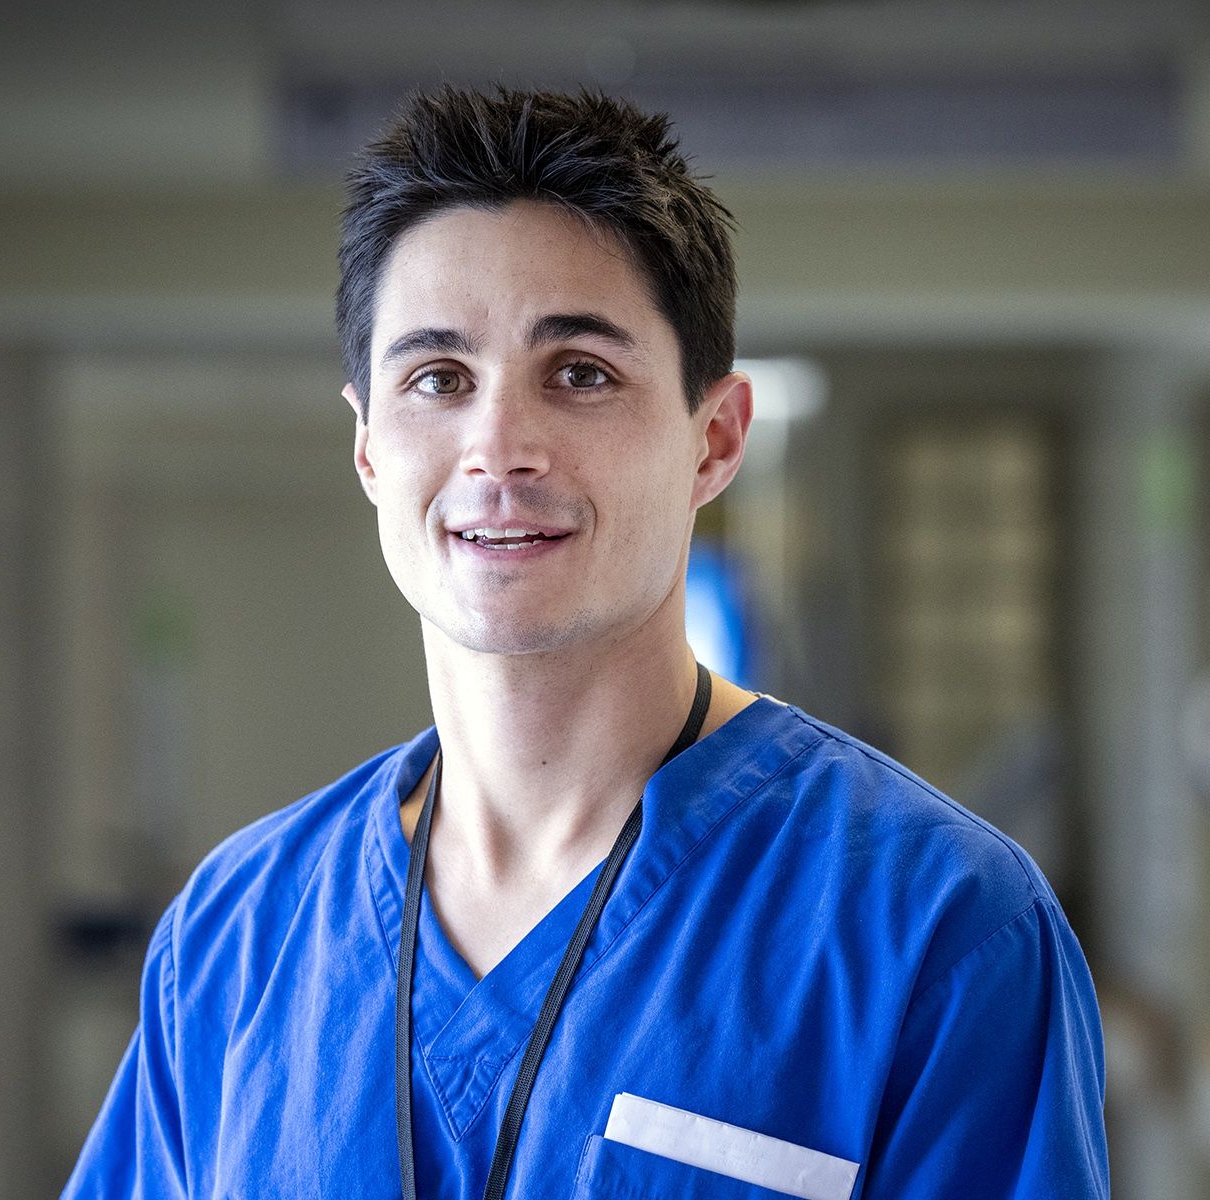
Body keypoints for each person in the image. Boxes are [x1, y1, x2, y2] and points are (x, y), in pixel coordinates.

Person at [64, 86, 1108, 1200]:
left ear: (714, 440)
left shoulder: (937, 929)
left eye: (579, 374)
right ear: (369, 450)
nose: (499, 447)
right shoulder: (235, 939)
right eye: (437, 379)